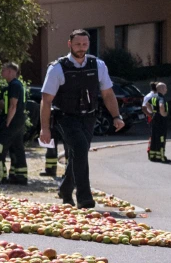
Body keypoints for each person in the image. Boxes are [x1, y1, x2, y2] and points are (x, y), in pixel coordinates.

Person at [40, 29, 123, 209]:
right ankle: (84, 199)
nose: (81, 48)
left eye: (84, 44)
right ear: (69, 44)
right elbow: (46, 100)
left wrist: (116, 116)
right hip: (65, 117)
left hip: (89, 117)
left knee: (79, 153)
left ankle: (65, 188)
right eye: (77, 44)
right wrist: (44, 128)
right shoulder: (57, 68)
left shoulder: (98, 65)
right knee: (79, 147)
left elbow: (108, 94)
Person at [0, 61, 29, 184]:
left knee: (0, 147)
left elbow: (13, 105)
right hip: (19, 121)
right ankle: (20, 176)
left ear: (10, 71)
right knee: (17, 147)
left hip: (13, 121)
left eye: (3, 70)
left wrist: (8, 122)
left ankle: (0, 176)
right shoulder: (18, 85)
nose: (1, 72)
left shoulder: (14, 85)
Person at [143, 82, 170, 162]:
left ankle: (152, 155)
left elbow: (147, 104)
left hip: (155, 118)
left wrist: (153, 112)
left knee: (154, 137)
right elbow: (161, 106)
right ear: (162, 89)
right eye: (165, 88)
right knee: (161, 138)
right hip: (161, 120)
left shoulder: (154, 97)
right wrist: (163, 113)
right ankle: (161, 157)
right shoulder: (161, 97)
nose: (166, 89)